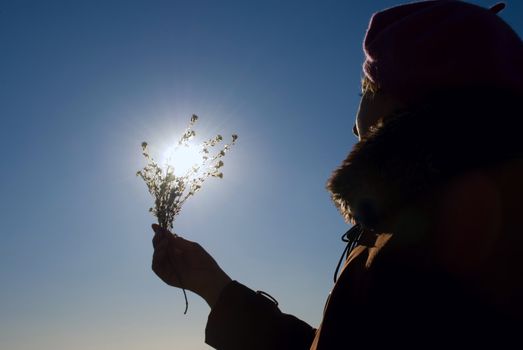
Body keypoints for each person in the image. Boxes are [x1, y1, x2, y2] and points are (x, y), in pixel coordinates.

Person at [151, 1, 523, 348]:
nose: (353, 125)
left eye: (363, 94)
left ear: (393, 96)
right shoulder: (462, 215)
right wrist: (214, 287)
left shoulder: (426, 242)